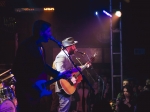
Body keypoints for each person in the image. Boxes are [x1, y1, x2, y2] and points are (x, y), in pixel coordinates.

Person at [12, 20, 71, 112]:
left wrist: (59, 74)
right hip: (26, 92)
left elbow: (43, 66)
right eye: (49, 31)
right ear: (41, 32)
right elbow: (17, 69)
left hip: (34, 92)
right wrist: (32, 85)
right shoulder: (26, 46)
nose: (51, 35)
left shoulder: (40, 46)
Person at [53, 37, 91, 112]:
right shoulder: (61, 56)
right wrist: (70, 77)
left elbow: (72, 69)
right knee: (64, 109)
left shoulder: (68, 56)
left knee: (65, 108)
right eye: (74, 46)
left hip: (67, 86)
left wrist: (85, 66)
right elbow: (60, 71)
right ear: (70, 46)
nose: (75, 48)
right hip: (63, 86)